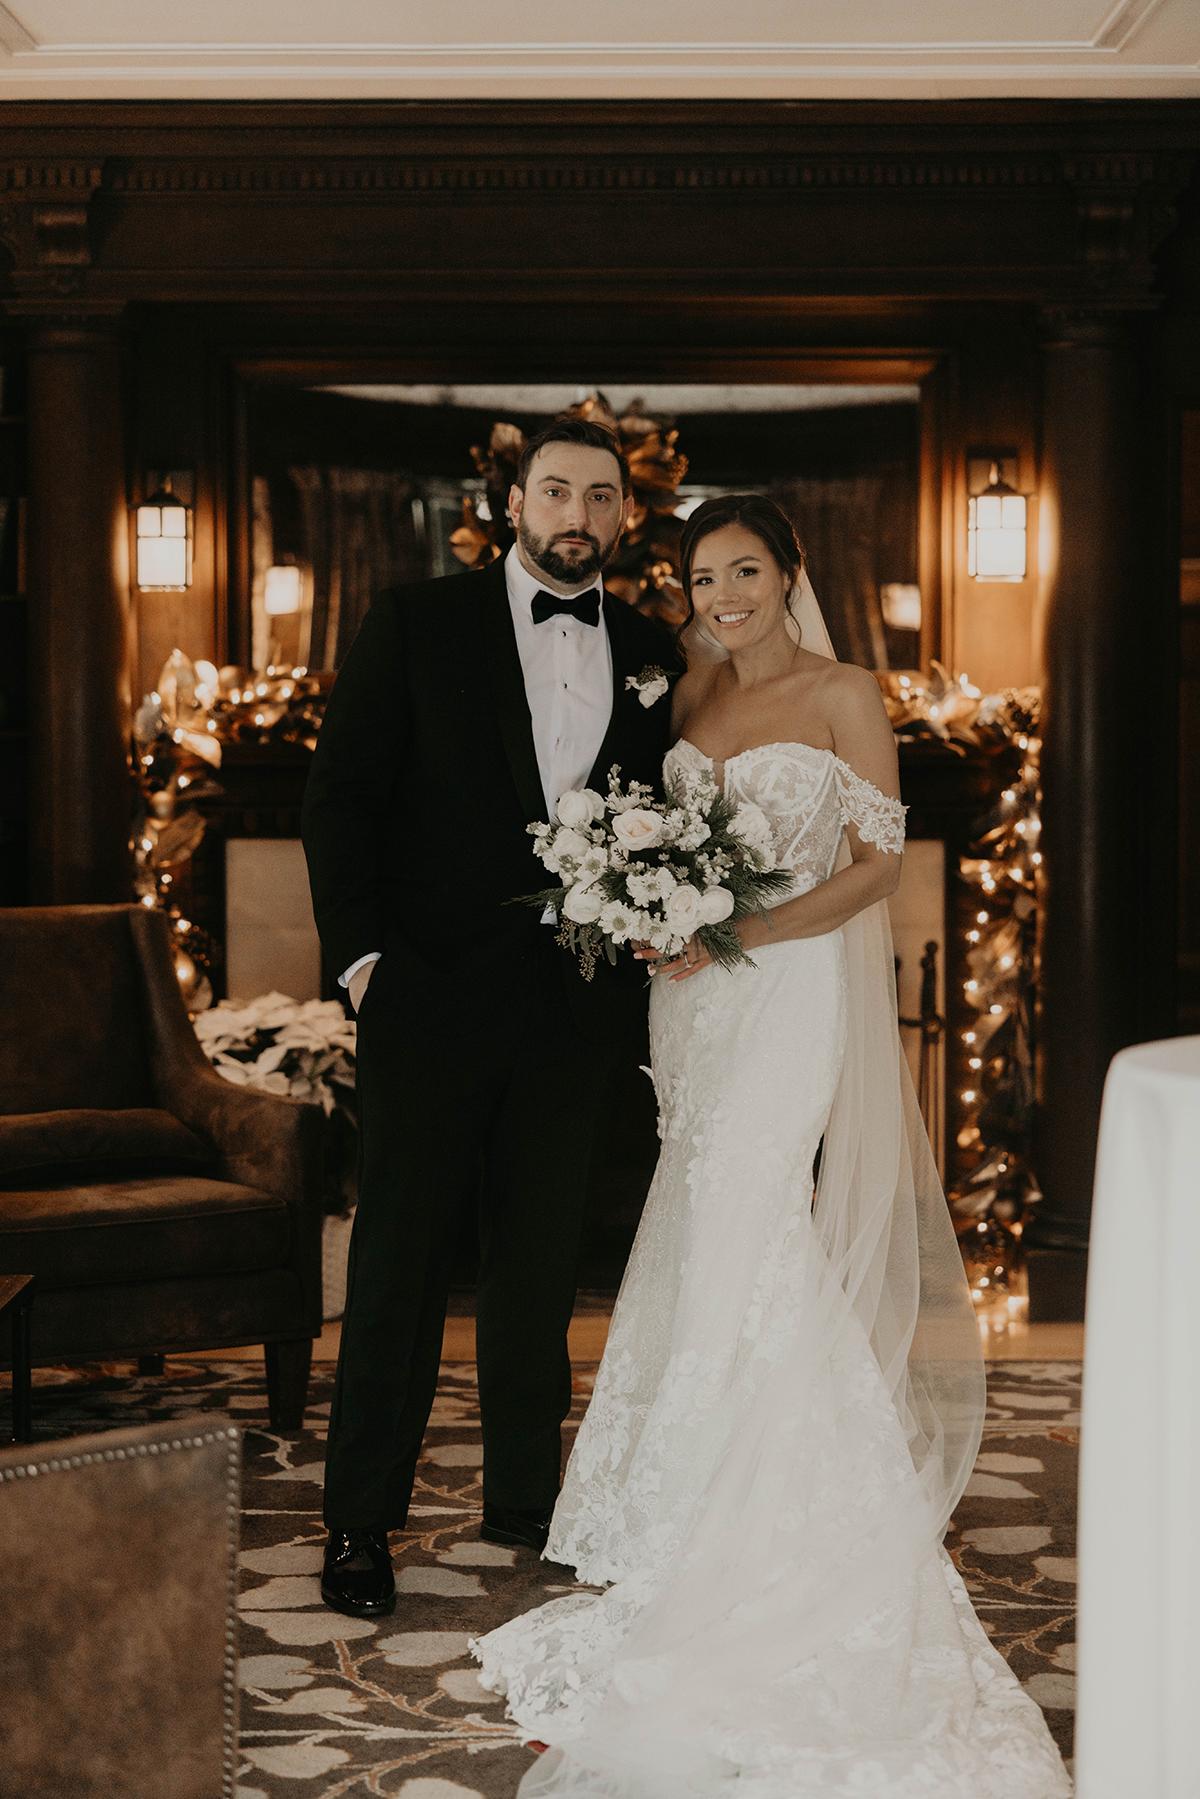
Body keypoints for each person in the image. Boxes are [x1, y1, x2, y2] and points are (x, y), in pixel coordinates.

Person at [471, 494, 1073, 1797]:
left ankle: (804, 1527)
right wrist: (647, 909)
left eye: (746, 568)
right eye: (702, 573)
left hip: (784, 987)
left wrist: (741, 930)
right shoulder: (682, 688)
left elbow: (878, 859)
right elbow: (642, 827)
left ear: (790, 571)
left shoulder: (846, 687)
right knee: (707, 1232)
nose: (725, 591)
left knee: (753, 1215)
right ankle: (696, 1518)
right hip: (685, 995)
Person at [301, 417, 682, 1619]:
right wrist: (364, 962)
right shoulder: (414, 620)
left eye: (600, 495)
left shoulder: (653, 651)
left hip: (575, 1011)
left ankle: (527, 1493)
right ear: (514, 500)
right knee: (402, 1263)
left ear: (627, 515)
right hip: (425, 997)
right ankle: (360, 1517)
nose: (578, 511)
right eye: (555, 488)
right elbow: (342, 797)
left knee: (539, 1267)